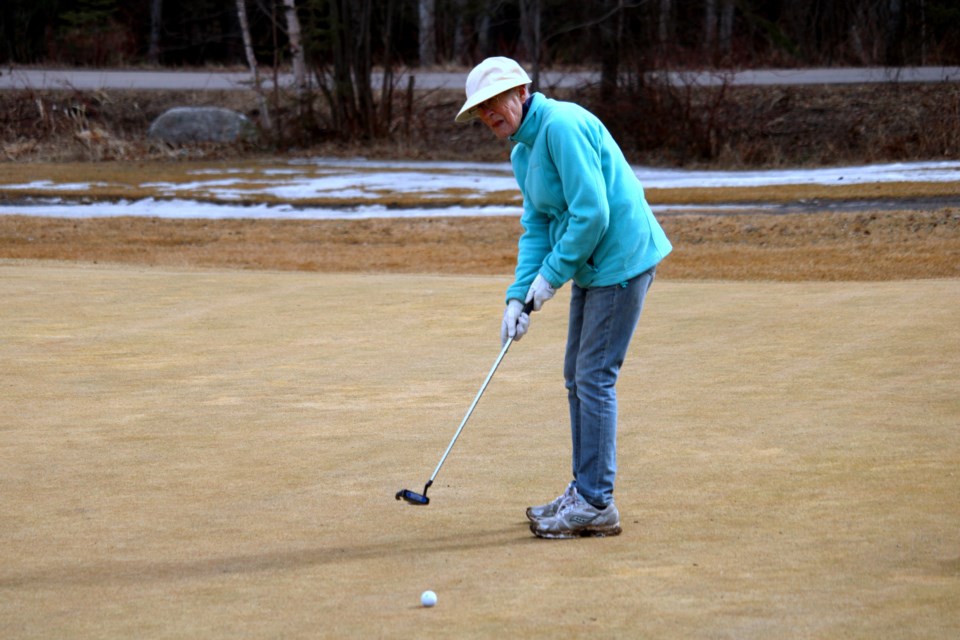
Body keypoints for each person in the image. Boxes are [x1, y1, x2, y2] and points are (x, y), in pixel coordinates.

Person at [455, 57, 672, 539]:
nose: (491, 114)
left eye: (496, 102)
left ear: (521, 92)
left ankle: (596, 502)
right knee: (577, 375)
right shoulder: (521, 151)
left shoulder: (562, 126)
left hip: (621, 259)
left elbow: (591, 214)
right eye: (481, 110)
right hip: (592, 265)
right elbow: (537, 227)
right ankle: (585, 489)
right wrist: (517, 296)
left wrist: (550, 278)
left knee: (593, 376)